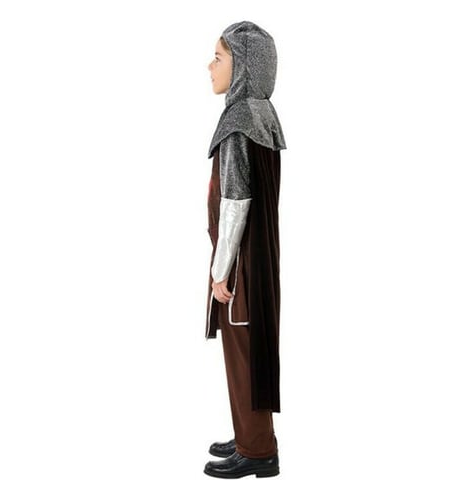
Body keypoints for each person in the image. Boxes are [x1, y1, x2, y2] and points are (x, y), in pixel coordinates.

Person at [203, 21, 287, 479]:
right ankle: (249, 436)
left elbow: (235, 203)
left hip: (240, 268)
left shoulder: (238, 122)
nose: (210, 66)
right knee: (250, 351)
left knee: (244, 355)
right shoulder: (262, 114)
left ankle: (256, 451)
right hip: (259, 261)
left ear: (244, 67)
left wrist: (220, 271)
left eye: (219, 58)